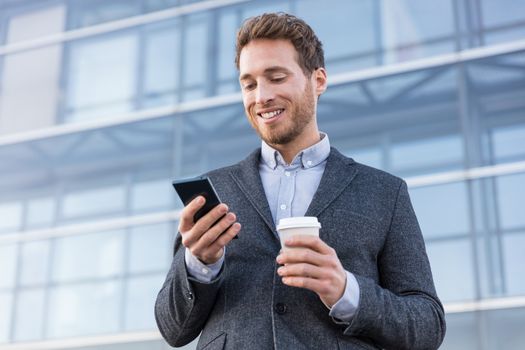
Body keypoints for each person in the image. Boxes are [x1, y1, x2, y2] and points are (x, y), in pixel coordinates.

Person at [155, 12, 446, 350]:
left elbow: (427, 325)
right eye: (248, 84)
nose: (260, 96)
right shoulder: (216, 190)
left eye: (276, 77)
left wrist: (346, 290)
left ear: (318, 80)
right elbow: (172, 329)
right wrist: (198, 264)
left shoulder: (384, 193)